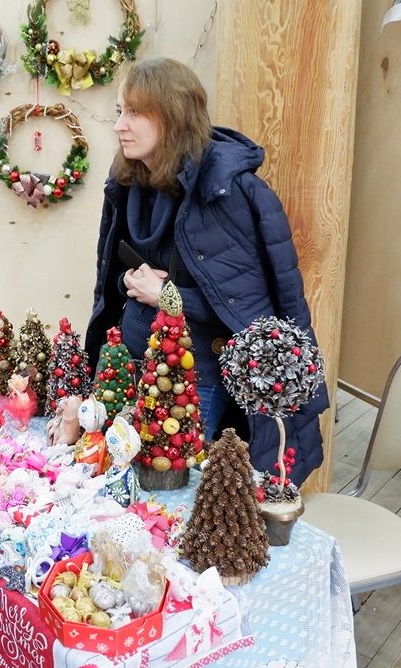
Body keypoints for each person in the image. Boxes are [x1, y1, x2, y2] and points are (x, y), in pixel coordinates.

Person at [86, 57, 330, 485]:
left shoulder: (227, 194)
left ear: (173, 116)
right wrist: (132, 283)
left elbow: (249, 316)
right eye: (120, 111)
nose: (120, 125)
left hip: (193, 378)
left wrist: (166, 297)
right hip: (133, 361)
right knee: (117, 483)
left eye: (135, 113)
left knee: (166, 494)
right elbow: (120, 274)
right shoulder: (130, 180)